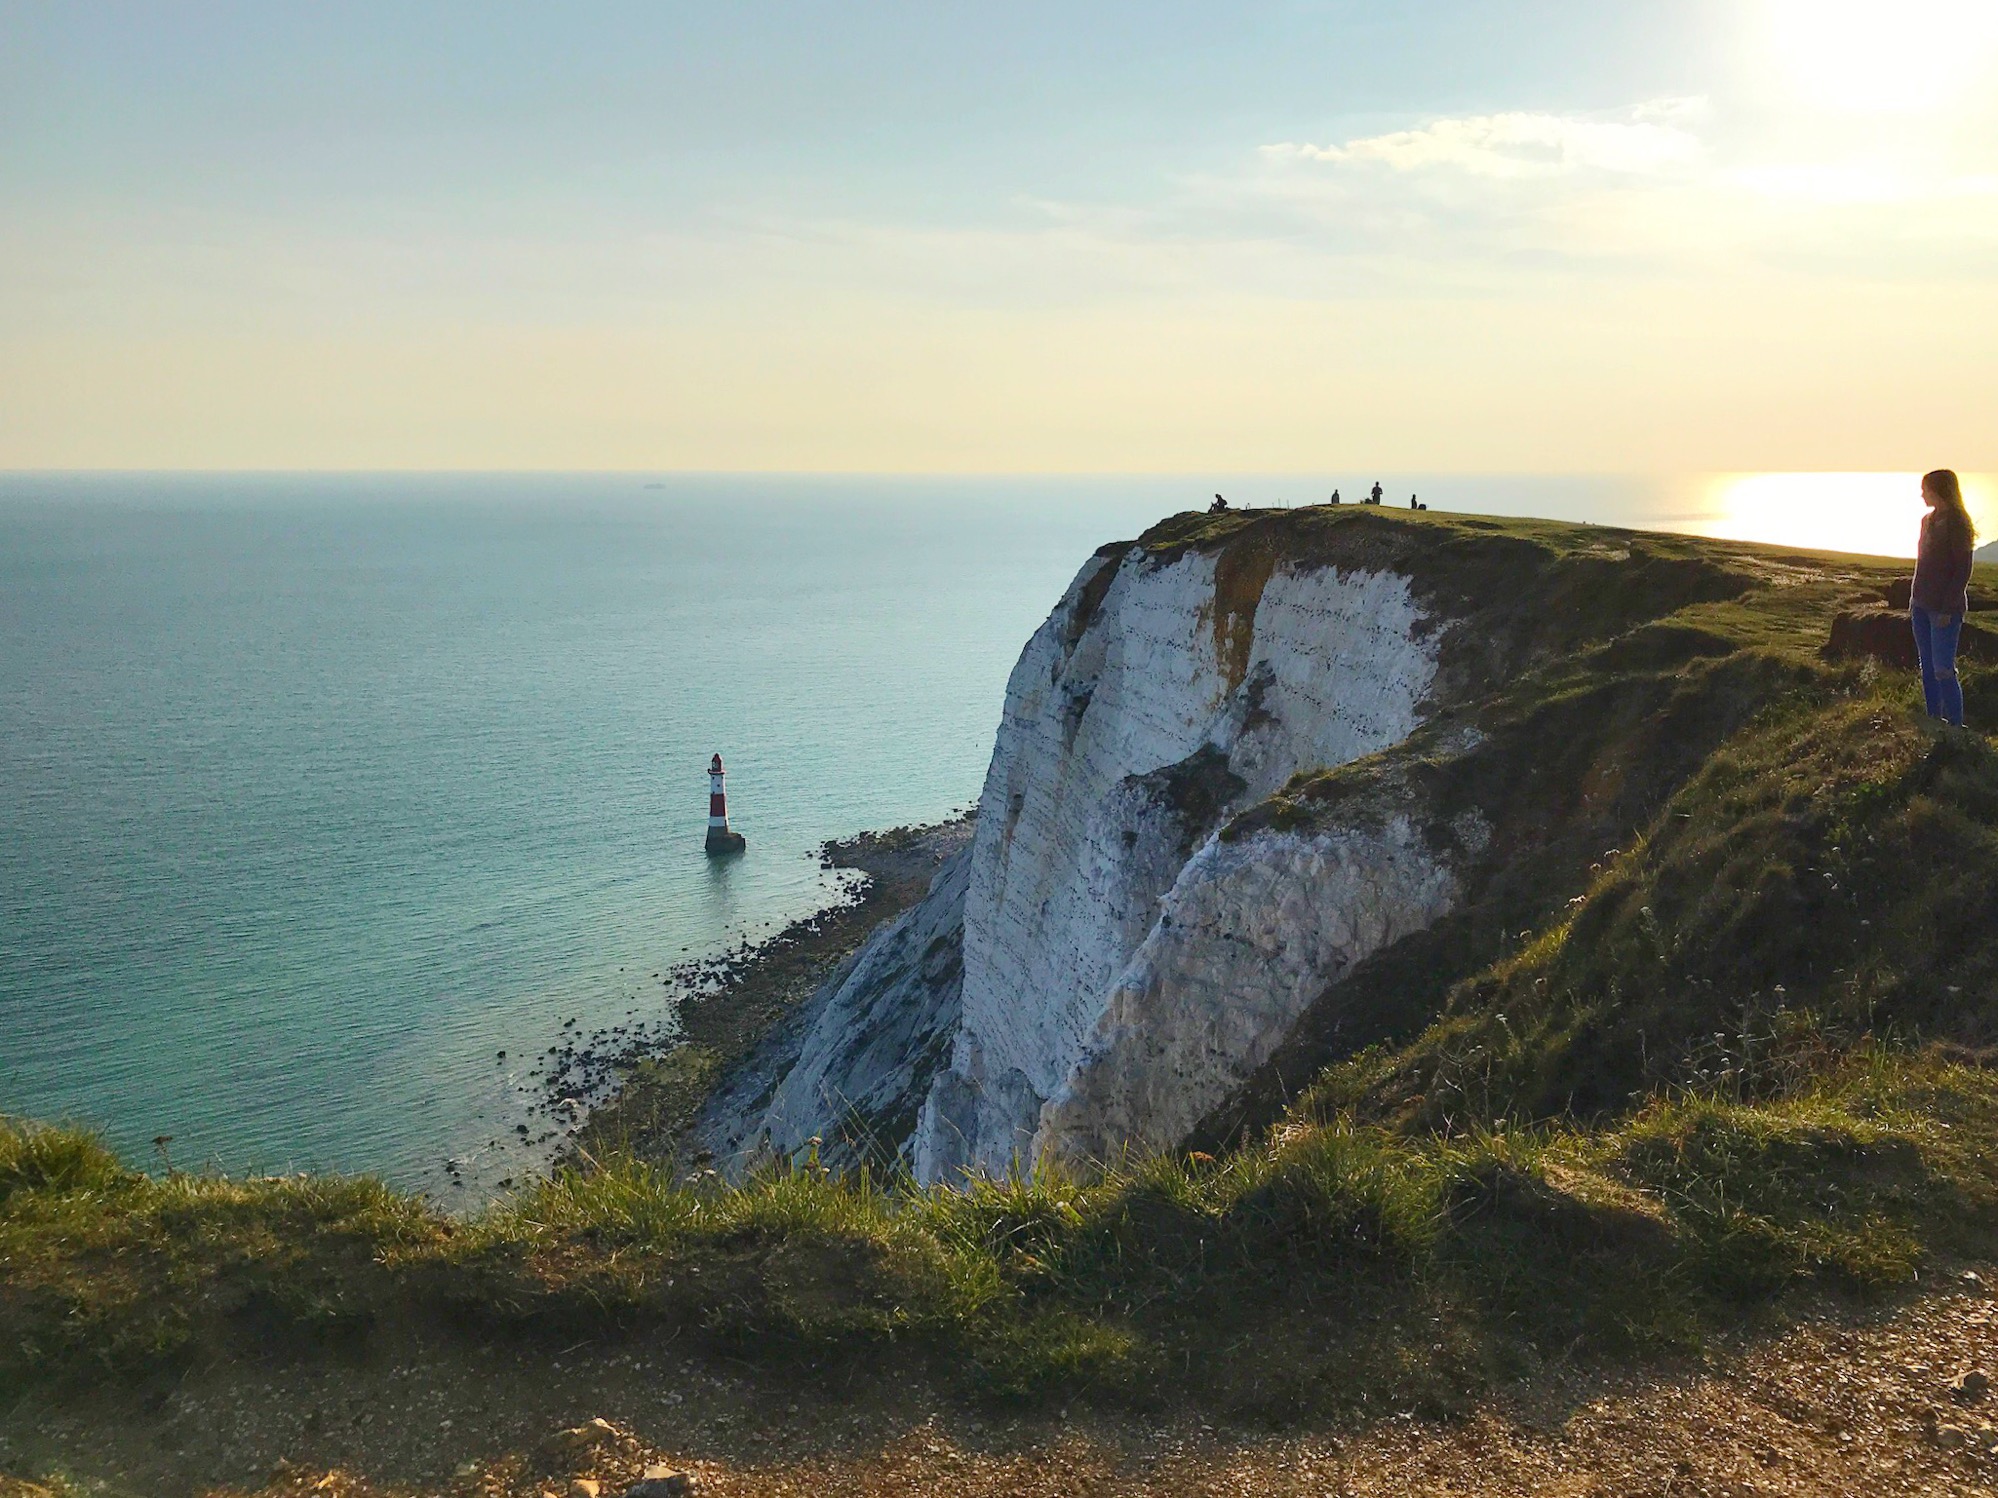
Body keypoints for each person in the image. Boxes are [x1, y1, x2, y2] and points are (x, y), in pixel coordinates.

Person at [1911, 468, 1976, 727]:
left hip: (1944, 609)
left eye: (1925, 489)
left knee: (1943, 669)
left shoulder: (1958, 522)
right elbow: (1923, 562)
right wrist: (1915, 599)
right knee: (1928, 668)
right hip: (1920, 604)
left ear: (1938, 490)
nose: (1922, 494)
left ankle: (1956, 726)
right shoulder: (1927, 520)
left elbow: (1963, 569)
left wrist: (1948, 608)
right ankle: (1934, 721)